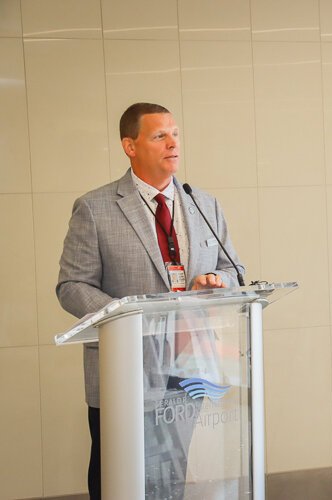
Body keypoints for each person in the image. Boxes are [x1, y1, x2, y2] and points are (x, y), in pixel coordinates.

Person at [57, 102, 244, 499]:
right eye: (160, 135)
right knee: (116, 475)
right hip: (126, 366)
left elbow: (236, 272)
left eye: (175, 133)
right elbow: (72, 285)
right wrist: (130, 318)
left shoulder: (203, 203)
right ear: (130, 145)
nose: (172, 143)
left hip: (191, 363)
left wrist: (217, 279)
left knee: (173, 471)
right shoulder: (95, 208)